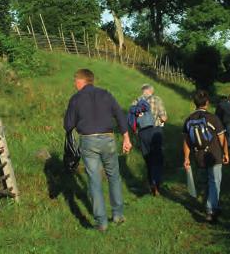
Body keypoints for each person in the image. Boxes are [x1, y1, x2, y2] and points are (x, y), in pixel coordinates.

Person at [64, 69, 132, 232]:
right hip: (108, 138)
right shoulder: (106, 94)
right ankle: (117, 214)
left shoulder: (76, 98)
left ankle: (101, 222)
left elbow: (67, 125)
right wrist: (126, 137)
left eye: (75, 80)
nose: (74, 84)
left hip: (88, 141)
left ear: (82, 81)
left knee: (94, 181)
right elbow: (120, 115)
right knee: (113, 176)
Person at [183, 90, 229, 222]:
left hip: (199, 156)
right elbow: (222, 138)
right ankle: (210, 209)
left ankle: (211, 205)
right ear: (207, 103)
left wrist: (186, 158)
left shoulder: (189, 119)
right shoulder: (213, 118)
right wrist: (225, 153)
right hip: (214, 154)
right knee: (215, 182)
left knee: (206, 183)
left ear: (194, 103)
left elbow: (186, 141)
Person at [131, 84, 167, 196]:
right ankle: (157, 185)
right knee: (157, 158)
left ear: (143, 91)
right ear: (151, 90)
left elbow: (132, 119)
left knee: (148, 159)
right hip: (155, 131)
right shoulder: (156, 100)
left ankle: (151, 183)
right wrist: (162, 122)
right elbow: (164, 117)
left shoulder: (136, 101)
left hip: (142, 133)